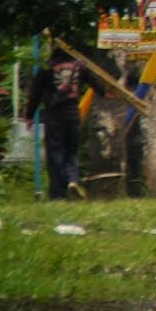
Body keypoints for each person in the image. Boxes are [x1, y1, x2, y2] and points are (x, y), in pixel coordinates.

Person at [22, 43, 101, 200]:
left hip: (54, 116)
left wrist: (29, 116)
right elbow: (97, 85)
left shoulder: (46, 69)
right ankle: (72, 180)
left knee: (55, 153)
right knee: (71, 151)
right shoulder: (81, 67)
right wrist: (109, 93)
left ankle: (58, 194)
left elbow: (35, 94)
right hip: (73, 114)